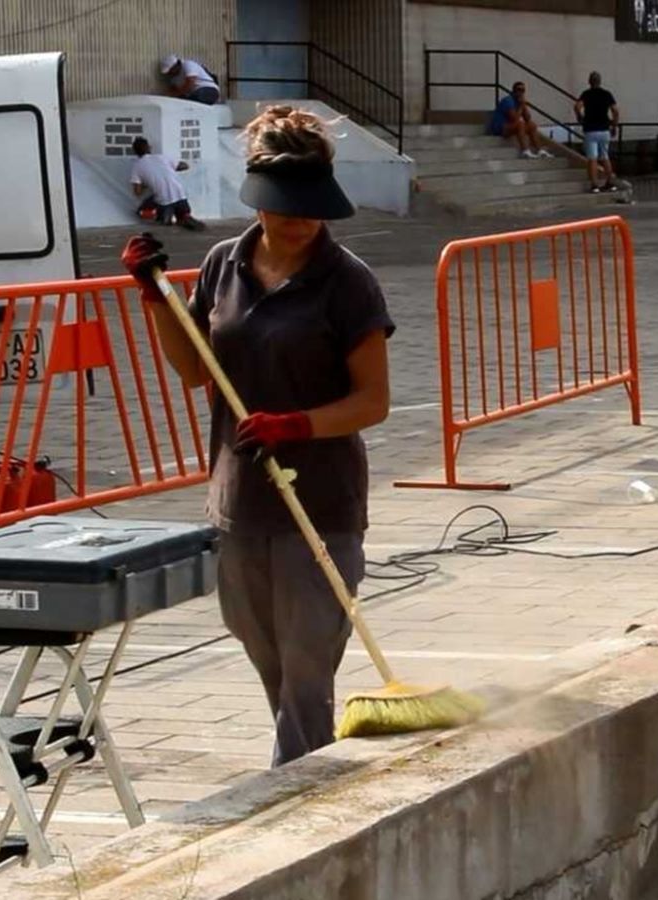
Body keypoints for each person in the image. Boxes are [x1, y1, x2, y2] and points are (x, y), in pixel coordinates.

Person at [121, 106, 393, 766]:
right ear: (259, 200)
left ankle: (292, 799)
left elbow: (373, 402)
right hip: (240, 500)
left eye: (313, 207)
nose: (302, 220)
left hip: (319, 507)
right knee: (265, 658)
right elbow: (194, 368)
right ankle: (303, 777)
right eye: (286, 206)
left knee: (305, 679)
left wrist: (298, 424)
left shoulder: (348, 283)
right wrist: (154, 299)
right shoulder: (223, 264)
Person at [129, 137, 204, 231]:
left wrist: (147, 183)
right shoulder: (162, 157)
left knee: (140, 212)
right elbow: (185, 166)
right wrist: (170, 169)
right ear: (149, 147)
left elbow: (137, 192)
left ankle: (163, 217)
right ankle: (184, 217)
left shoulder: (137, 167)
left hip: (164, 202)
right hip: (181, 197)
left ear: (135, 152)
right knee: (180, 210)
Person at [574, 72, 619, 193]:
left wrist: (580, 117)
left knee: (592, 158)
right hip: (604, 129)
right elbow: (615, 110)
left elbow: (577, 106)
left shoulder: (586, 94)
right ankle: (610, 182)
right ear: (600, 81)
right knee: (605, 156)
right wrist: (614, 125)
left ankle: (595, 185)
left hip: (590, 129)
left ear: (589, 81)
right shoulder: (606, 94)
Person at [488, 82, 552, 159]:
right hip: (500, 128)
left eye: (523, 90)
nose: (521, 92)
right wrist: (521, 106)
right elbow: (514, 118)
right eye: (519, 90)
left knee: (532, 125)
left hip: (511, 126)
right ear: (514, 91)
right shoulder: (508, 101)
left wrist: (524, 105)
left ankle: (540, 151)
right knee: (520, 124)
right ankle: (525, 151)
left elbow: (528, 118)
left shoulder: (519, 102)